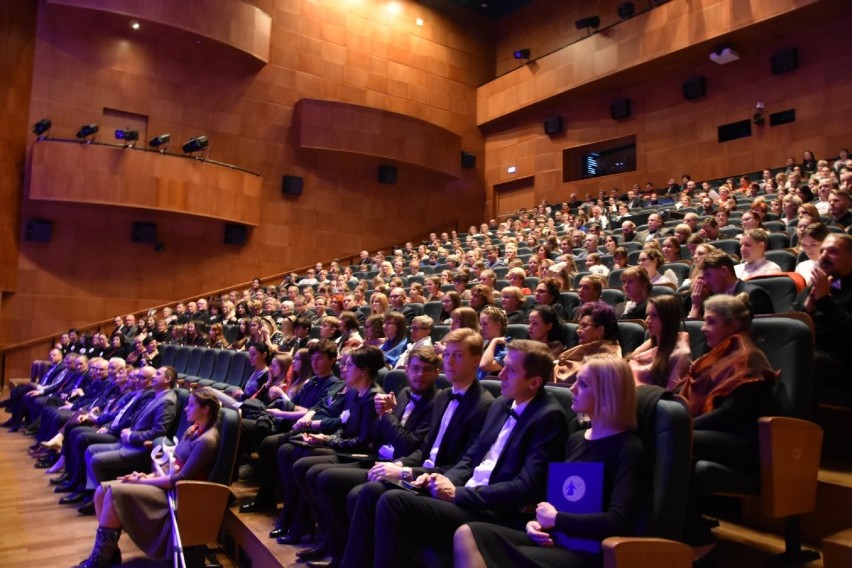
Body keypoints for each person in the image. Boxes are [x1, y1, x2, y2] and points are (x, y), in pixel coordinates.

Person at [374, 339, 569, 567]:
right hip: (466, 495)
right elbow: (471, 458)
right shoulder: (502, 404)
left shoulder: (549, 417)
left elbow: (525, 488)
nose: (502, 374)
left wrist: (457, 494)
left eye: (511, 370)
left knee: (394, 502)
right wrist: (443, 480)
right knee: (380, 490)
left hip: (493, 510)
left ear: (534, 382)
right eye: (503, 365)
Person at [455, 355, 644, 568]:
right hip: (556, 539)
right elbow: (557, 499)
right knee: (468, 533)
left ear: (606, 393)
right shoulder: (575, 439)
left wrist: (556, 520)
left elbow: (617, 520)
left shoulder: (628, 448)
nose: (571, 388)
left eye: (582, 384)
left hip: (586, 550)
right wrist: (536, 524)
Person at [329, 329, 494, 568]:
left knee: (382, 497)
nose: (449, 361)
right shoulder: (444, 396)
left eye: (458, 355)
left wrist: (407, 473)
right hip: (420, 472)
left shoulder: (484, 404)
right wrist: (398, 465)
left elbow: (463, 464)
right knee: (365, 493)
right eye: (447, 354)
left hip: (439, 481)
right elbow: (424, 450)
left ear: (476, 360)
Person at [74, 387, 222, 568]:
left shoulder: (208, 440)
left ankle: (100, 560)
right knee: (101, 491)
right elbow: (172, 463)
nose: (186, 409)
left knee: (114, 494)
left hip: (181, 496)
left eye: (191, 405)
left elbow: (178, 479)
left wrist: (143, 481)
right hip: (167, 484)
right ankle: (111, 552)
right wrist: (147, 474)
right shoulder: (194, 429)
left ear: (205, 409)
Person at [678, 295, 776, 475]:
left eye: (711, 322)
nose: (703, 327)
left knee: (672, 437)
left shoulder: (747, 357)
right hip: (718, 431)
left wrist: (681, 424)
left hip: (742, 439)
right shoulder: (721, 353)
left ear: (733, 325)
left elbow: (729, 413)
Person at [793, 234, 852, 405]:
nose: (824, 255)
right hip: (811, 351)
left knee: (804, 359)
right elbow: (792, 324)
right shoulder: (814, 287)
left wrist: (825, 300)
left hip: (841, 359)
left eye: (832, 251)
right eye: (822, 250)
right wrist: (807, 307)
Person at [685, 250, 775, 318]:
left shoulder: (754, 295)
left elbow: (763, 333)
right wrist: (696, 305)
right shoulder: (712, 298)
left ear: (724, 271)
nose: (706, 281)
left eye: (708, 275)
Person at [628, 295, 692, 390]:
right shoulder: (650, 342)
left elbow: (671, 391)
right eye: (647, 315)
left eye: (654, 316)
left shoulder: (681, 353)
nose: (648, 320)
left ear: (668, 319)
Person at [555, 302, 621, 384]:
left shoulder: (608, 358)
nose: (578, 331)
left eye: (584, 326)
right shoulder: (587, 347)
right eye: (579, 326)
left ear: (600, 330)